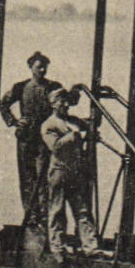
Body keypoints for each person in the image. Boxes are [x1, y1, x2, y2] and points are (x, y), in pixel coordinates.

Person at [0, 51, 61, 229]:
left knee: (45, 175)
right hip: (26, 137)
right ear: (30, 67)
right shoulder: (20, 87)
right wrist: (15, 122)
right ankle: (31, 215)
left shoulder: (53, 86)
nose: (42, 70)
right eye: (38, 67)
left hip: (46, 137)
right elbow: (3, 104)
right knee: (27, 177)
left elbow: (66, 100)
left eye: (44, 67)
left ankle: (45, 215)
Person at [41, 87, 100, 258]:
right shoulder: (49, 125)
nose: (66, 105)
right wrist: (73, 136)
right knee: (57, 211)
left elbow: (91, 126)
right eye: (62, 102)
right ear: (53, 104)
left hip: (75, 173)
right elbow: (55, 146)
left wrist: (92, 124)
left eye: (67, 101)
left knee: (82, 211)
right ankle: (57, 247)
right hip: (59, 172)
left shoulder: (73, 120)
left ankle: (91, 247)